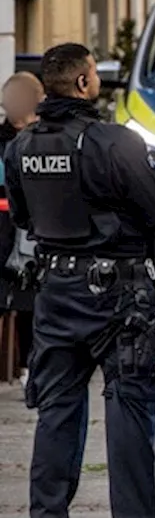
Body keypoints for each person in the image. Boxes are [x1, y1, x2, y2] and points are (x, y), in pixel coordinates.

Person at [3, 43, 155, 518]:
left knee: (56, 414)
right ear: (85, 83)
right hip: (119, 295)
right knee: (128, 412)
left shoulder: (22, 146)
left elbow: (25, 214)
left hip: (56, 292)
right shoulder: (115, 142)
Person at [0, 72, 45, 387]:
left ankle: (31, 362)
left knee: (32, 298)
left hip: (35, 229)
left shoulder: (46, 138)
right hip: (3, 231)